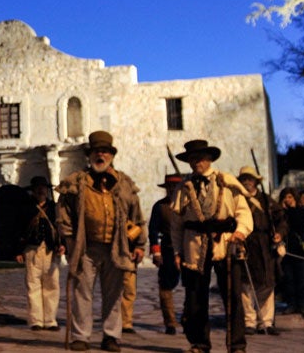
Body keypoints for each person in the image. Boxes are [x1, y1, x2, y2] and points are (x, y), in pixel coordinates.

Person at [56, 131, 146, 352]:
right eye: (97, 152)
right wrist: (69, 241)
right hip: (86, 248)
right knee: (82, 293)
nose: (101, 156)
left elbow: (137, 216)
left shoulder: (124, 184)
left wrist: (140, 245)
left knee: (114, 294)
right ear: (90, 155)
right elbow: (64, 215)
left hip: (118, 247)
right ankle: (81, 336)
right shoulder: (77, 182)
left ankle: (111, 336)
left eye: (105, 152)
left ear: (112, 156)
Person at [170, 139, 252, 353]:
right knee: (196, 297)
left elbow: (243, 211)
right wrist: (177, 251)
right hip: (194, 247)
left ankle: (236, 345)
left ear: (209, 159)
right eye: (192, 158)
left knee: (232, 296)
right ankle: (199, 343)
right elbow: (177, 225)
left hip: (225, 244)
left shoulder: (226, 182)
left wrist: (240, 232)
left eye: (200, 157)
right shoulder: (183, 188)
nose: (196, 162)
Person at [236, 166, 286, 336]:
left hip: (264, 245)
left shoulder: (266, 200)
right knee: (246, 285)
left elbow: (281, 220)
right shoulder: (237, 199)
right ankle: (249, 322)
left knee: (267, 284)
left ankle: (265, 322)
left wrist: (279, 233)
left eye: (250, 179)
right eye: (244, 179)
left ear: (256, 181)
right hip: (245, 243)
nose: (247, 182)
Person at [16, 175, 62, 331]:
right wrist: (18, 251)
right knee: (33, 284)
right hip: (32, 250)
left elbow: (60, 229)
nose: (41, 190)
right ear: (33, 191)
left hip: (50, 250)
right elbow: (18, 229)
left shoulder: (54, 208)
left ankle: (50, 320)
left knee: (52, 285)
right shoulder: (25, 208)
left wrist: (62, 246)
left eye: (43, 188)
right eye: (38, 188)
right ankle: (36, 320)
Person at [148, 173, 184, 335]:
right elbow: (153, 231)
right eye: (170, 188)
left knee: (192, 285)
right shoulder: (160, 207)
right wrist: (156, 252)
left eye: (175, 188)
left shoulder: (188, 206)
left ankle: (189, 318)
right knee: (166, 286)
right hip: (168, 250)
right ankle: (170, 322)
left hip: (187, 249)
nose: (172, 191)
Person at [277, 187, 304, 319]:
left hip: (300, 249)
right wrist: (282, 212)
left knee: (302, 278)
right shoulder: (281, 213)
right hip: (287, 250)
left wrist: (291, 209)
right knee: (289, 278)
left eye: (290, 197)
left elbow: (300, 224)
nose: (288, 200)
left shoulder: (303, 211)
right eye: (285, 198)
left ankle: (303, 305)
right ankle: (291, 303)